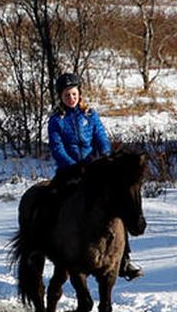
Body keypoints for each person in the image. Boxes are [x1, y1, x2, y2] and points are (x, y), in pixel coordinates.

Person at [46, 72, 141, 280]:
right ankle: (50, 245)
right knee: (53, 202)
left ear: (79, 93)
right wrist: (73, 165)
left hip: (93, 170)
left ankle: (124, 259)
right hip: (68, 172)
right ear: (60, 97)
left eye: (73, 93)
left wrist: (103, 159)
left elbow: (102, 140)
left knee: (117, 209)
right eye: (66, 95)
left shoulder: (90, 115)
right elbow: (56, 147)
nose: (71, 98)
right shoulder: (55, 120)